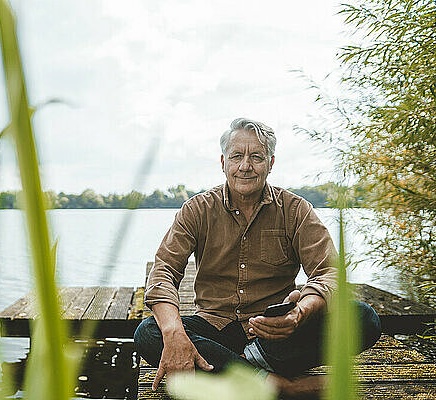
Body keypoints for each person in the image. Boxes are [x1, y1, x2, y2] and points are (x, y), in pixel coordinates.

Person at [133, 118, 381, 398]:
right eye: (237, 156)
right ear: (223, 161)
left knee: (364, 317)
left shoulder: (296, 210)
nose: (245, 166)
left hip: (276, 337)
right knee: (150, 332)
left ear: (271, 163)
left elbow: (329, 273)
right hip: (214, 329)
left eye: (256, 157)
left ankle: (230, 368)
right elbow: (163, 271)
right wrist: (174, 332)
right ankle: (282, 386)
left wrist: (301, 312)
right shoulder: (197, 209)